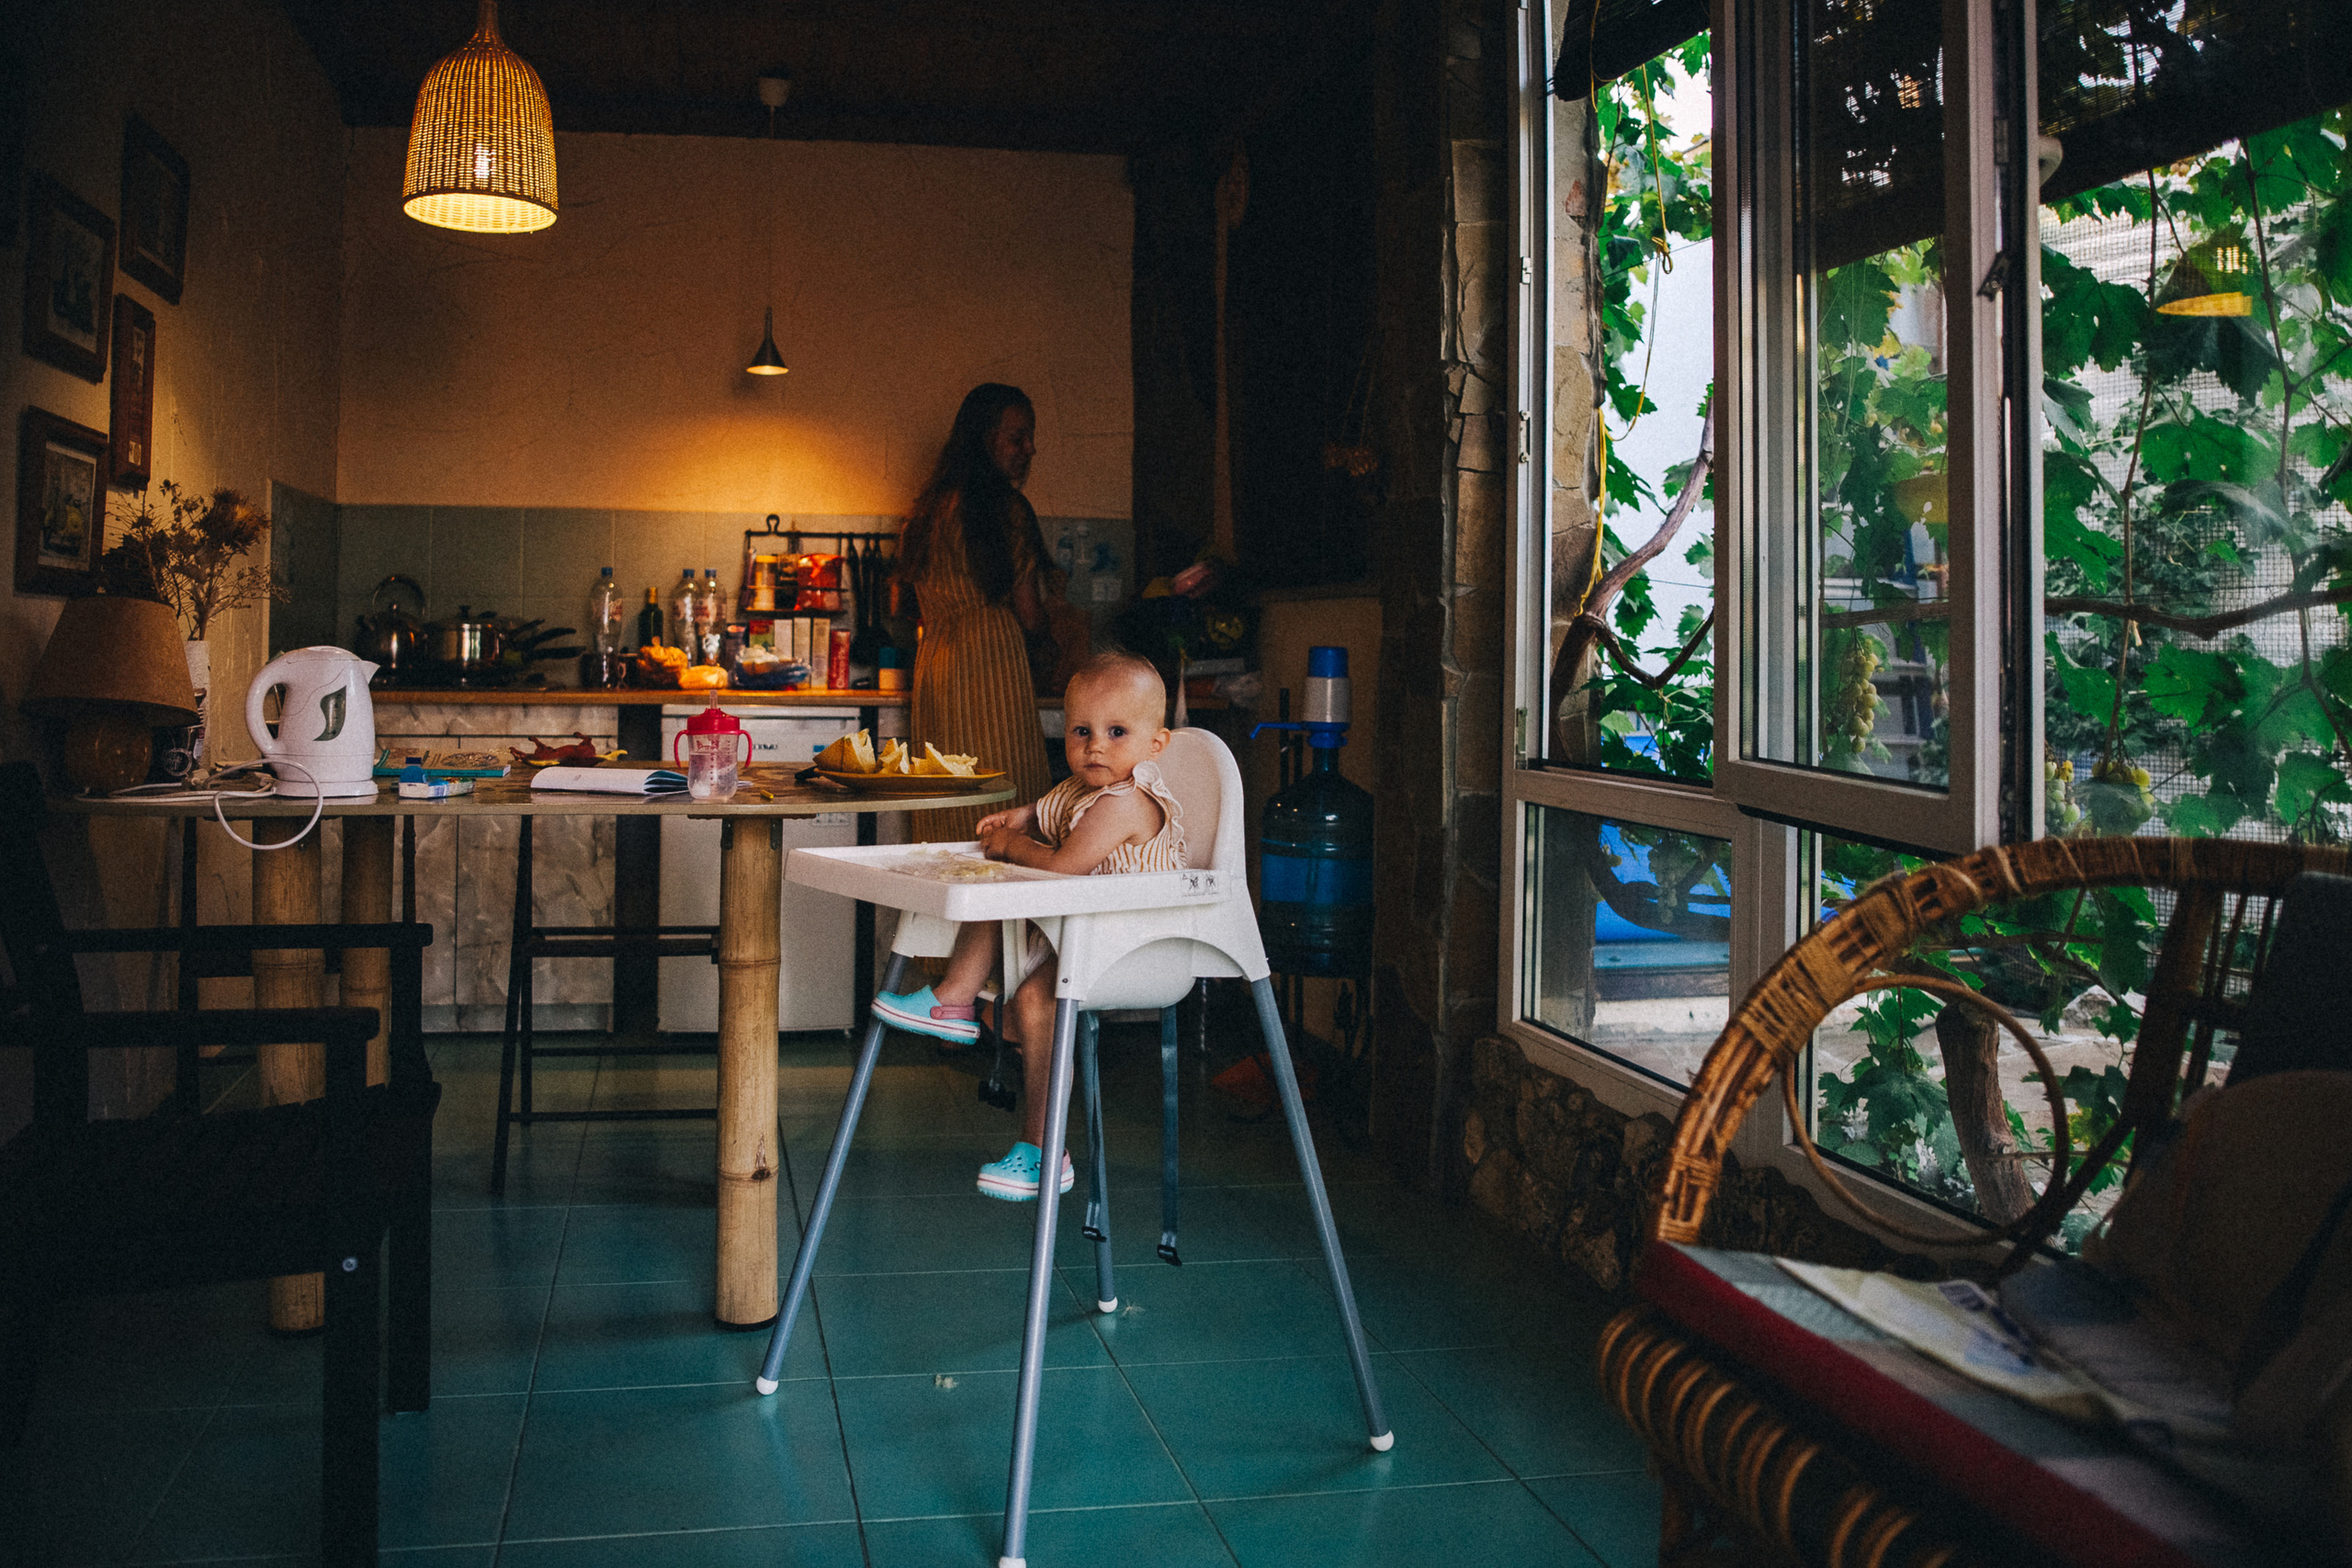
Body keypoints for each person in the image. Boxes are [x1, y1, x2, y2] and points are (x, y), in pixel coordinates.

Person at [872, 651, 1186, 1200]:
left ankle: (1045, 1149)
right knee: (1004, 884)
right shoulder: (1081, 788)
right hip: (1080, 932)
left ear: (1156, 744)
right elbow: (1050, 810)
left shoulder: (1128, 802)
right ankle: (955, 998)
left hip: (1133, 944)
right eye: (1081, 731)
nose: (1095, 747)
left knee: (1035, 992)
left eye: (1116, 732)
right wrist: (1019, 819)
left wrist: (1013, 845)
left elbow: (1065, 864)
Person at [896, 383, 1066, 846]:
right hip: (994, 665)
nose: (1030, 448)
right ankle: (999, 914)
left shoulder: (926, 512)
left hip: (936, 669)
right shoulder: (1005, 510)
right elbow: (1029, 610)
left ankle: (952, 910)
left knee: (945, 794)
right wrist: (1048, 647)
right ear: (983, 438)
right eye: (1018, 437)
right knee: (1005, 798)